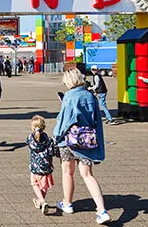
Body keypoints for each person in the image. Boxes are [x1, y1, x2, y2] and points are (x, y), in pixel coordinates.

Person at [53, 68, 111, 225]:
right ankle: (101, 210)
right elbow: (96, 120)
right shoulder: (90, 96)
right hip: (87, 139)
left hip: (68, 140)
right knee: (87, 174)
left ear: (69, 81)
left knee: (67, 172)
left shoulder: (69, 96)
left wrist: (55, 136)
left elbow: (65, 121)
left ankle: (67, 203)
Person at [28, 115, 57, 215]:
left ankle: (42, 201)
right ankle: (40, 200)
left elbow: (29, 145)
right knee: (44, 185)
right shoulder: (48, 139)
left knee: (35, 183)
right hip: (46, 166)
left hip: (35, 166)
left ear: (32, 127)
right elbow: (53, 151)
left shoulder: (30, 139)